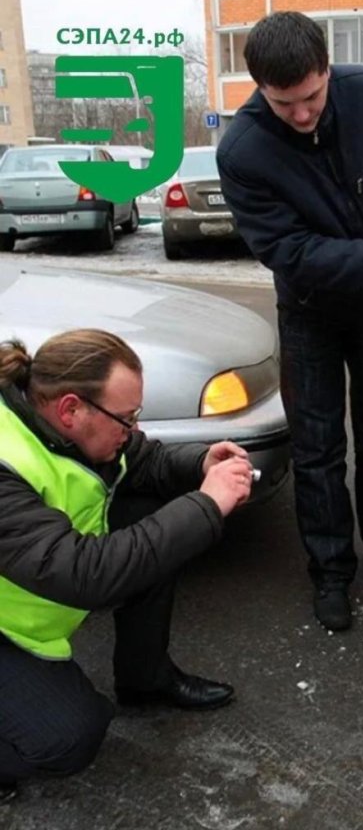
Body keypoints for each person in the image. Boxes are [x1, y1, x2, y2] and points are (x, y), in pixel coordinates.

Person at [217, 11, 363, 632]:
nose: (300, 114)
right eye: (283, 102)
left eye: (312, 96)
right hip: (309, 314)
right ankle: (330, 572)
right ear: (259, 87)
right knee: (319, 450)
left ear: (328, 66)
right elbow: (284, 250)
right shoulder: (242, 149)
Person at [0, 329, 254, 805]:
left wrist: (202, 462)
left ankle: (145, 679)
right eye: (126, 417)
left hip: (34, 589)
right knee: (69, 737)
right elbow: (82, 574)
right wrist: (206, 504)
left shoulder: (58, 419)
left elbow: (144, 459)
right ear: (71, 409)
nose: (133, 429)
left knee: (149, 521)